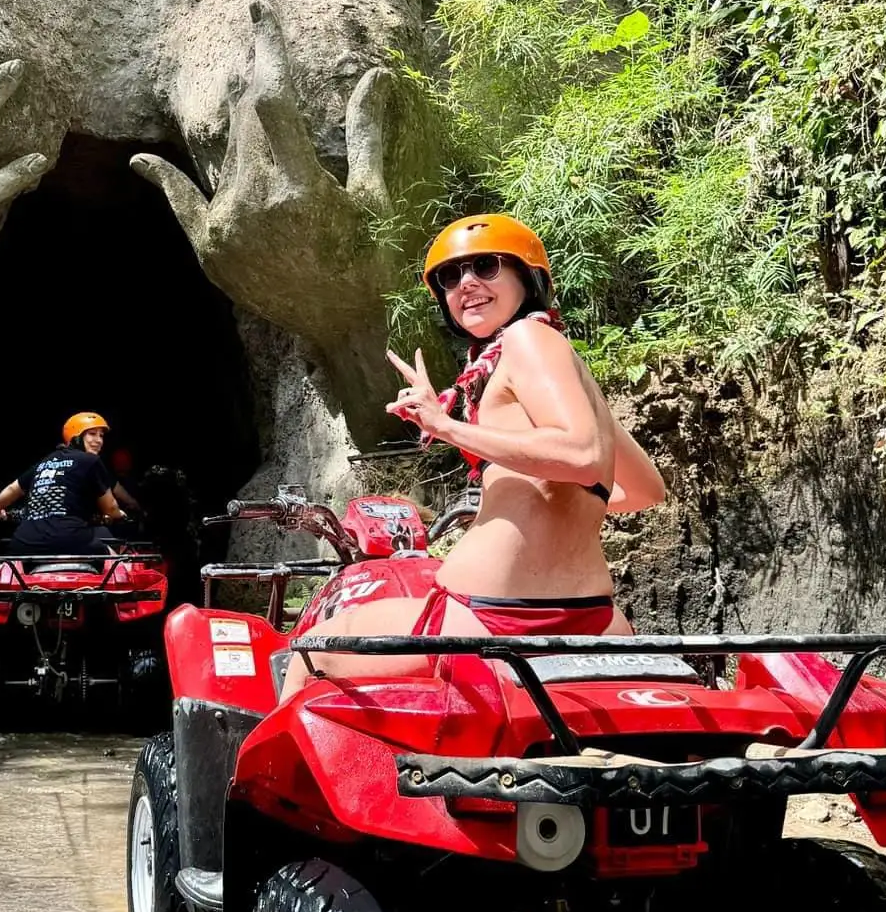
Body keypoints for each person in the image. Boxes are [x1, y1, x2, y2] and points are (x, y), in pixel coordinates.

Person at [280, 215, 665, 697]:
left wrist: (445, 427)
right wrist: (536, 509)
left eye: (486, 266)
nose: (467, 283)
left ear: (528, 278)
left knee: (310, 651)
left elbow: (582, 454)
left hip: (495, 619)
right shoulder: (561, 364)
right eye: (450, 276)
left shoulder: (529, 339)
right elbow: (645, 489)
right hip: (591, 616)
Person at [0, 413, 141, 556]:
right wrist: (121, 514)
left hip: (22, 544)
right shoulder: (91, 461)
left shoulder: (45, 462)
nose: (99, 440)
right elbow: (111, 508)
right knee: (117, 560)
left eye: (101, 436)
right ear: (76, 437)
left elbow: (13, 488)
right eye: (92, 434)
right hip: (71, 540)